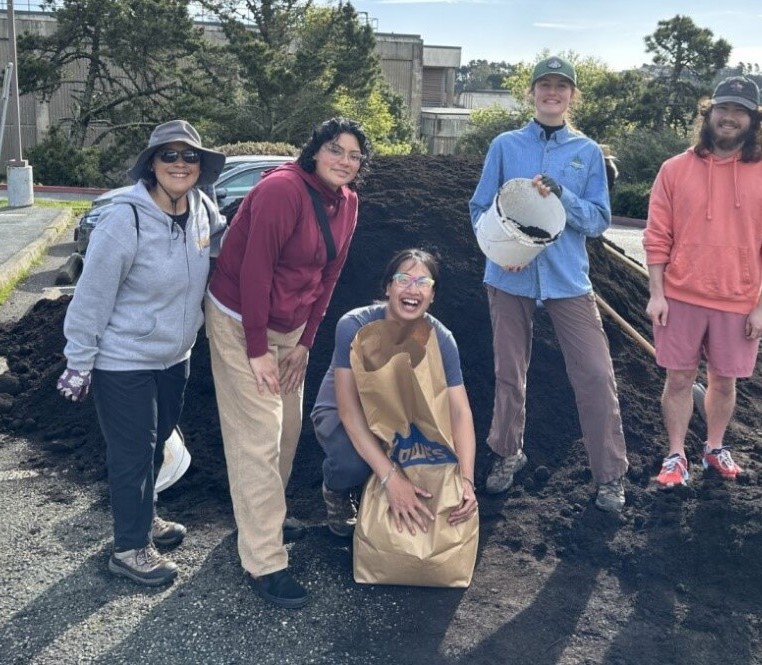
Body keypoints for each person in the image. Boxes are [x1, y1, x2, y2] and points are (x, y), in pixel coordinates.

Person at [205, 117, 369, 609]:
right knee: (257, 435)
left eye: (354, 156)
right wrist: (256, 349)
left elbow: (330, 275)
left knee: (287, 429)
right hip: (240, 321)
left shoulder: (348, 204)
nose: (344, 161)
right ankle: (263, 560)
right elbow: (255, 270)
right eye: (335, 149)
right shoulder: (282, 191)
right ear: (315, 150)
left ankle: (265, 518)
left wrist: (305, 344)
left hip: (291, 328)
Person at [58, 120, 226, 586]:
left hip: (176, 355)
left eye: (189, 157)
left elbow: (222, 245)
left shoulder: (201, 209)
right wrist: (80, 359)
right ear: (151, 164)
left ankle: (144, 516)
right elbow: (91, 294)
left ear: (200, 167)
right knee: (132, 452)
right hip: (123, 359)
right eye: (168, 156)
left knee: (156, 443)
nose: (180, 164)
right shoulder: (123, 220)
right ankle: (130, 549)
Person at [469, 55, 628, 513]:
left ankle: (610, 475)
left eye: (562, 86)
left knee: (596, 375)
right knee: (508, 372)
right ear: (532, 92)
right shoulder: (504, 145)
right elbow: (479, 207)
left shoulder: (587, 153)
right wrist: (503, 249)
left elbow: (598, 220)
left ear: (572, 95)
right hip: (508, 276)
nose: (552, 93)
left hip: (567, 280)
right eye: (545, 85)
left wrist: (563, 194)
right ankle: (506, 454)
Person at [644, 77, 762, 487]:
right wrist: (656, 294)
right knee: (678, 379)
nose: (729, 118)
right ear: (709, 114)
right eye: (722, 109)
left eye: (739, 111)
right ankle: (676, 455)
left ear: (753, 120)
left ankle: (714, 447)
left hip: (739, 300)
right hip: (679, 297)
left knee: (724, 380)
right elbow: (657, 235)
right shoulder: (674, 170)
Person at [311, 248, 477, 538]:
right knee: (353, 463)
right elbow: (348, 409)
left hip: (398, 416)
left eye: (423, 283)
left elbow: (460, 412)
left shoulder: (442, 340)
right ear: (388, 287)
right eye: (403, 279)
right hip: (342, 410)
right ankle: (337, 490)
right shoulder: (355, 325)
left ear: (433, 295)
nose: (413, 289)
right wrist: (390, 477)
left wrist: (466, 479)